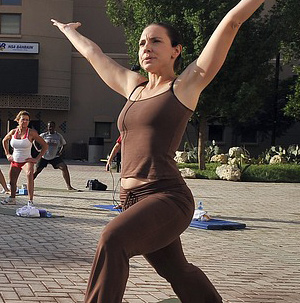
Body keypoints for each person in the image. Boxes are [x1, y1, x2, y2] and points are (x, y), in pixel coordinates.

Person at [51, 0, 265, 302]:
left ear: (175, 50)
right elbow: (93, 54)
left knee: (112, 240)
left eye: (155, 41)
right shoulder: (134, 87)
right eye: (141, 42)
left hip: (167, 197)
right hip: (132, 200)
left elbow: (231, 23)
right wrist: (69, 31)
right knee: (177, 270)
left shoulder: (185, 86)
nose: (146, 47)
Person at [1, 110, 48, 205]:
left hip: (27, 160)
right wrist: (7, 154)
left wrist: (37, 158)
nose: (25, 122)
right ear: (18, 120)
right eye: (23, 119)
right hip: (15, 160)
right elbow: (4, 141)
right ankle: (12, 198)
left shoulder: (31, 133)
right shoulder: (13, 132)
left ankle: (30, 200)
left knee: (30, 174)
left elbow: (45, 145)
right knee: (12, 182)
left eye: (27, 120)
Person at [33, 121, 77, 190]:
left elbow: (64, 144)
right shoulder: (43, 135)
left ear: (54, 127)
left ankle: (69, 186)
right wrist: (38, 149)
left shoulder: (58, 136)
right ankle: (29, 184)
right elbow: (35, 140)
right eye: (49, 126)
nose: (51, 128)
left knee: (64, 167)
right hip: (44, 156)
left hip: (54, 157)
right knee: (37, 171)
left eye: (52, 126)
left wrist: (60, 152)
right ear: (47, 127)